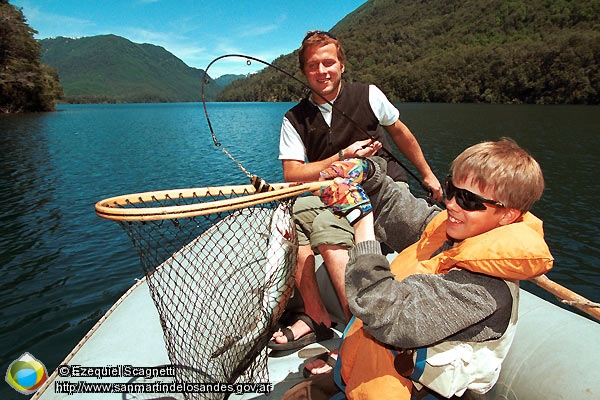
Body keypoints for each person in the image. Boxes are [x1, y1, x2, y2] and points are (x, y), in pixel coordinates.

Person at [281, 138, 554, 399]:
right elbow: (394, 207)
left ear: (507, 214)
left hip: (412, 390)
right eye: (451, 189)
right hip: (362, 370)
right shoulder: (450, 232)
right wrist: (367, 172)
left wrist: (361, 222)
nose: (451, 203)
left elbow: (387, 315)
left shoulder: (484, 291)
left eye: (468, 200)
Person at [270, 30, 443, 365]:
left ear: (342, 65)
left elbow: (401, 134)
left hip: (385, 188)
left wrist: (427, 174)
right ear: (304, 72)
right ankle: (318, 315)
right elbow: (292, 175)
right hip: (332, 195)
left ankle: (358, 335)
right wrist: (341, 157)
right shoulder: (294, 119)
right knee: (290, 213)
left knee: (322, 225)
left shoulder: (369, 95)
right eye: (313, 65)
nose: (322, 71)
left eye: (328, 63)